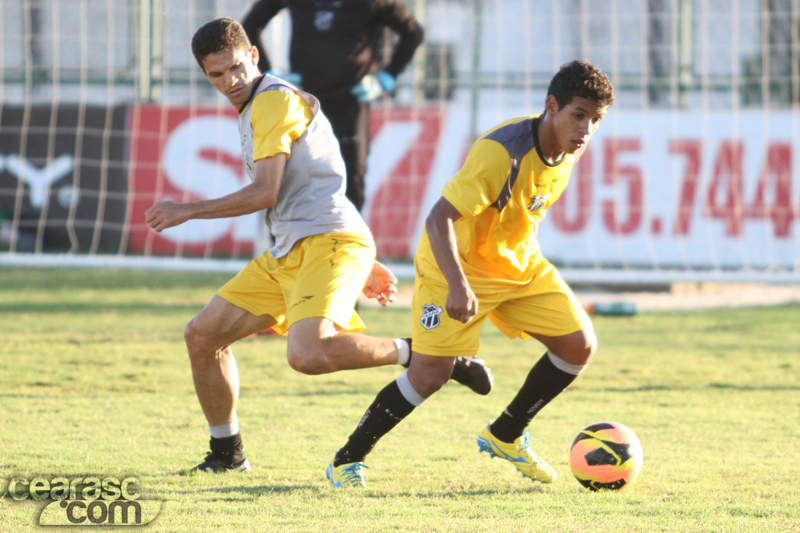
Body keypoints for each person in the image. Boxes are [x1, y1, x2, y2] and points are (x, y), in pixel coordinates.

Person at [144, 18, 489, 473]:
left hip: (326, 240)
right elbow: (314, 180)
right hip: (295, 247)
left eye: (234, 68)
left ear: (253, 56)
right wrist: (365, 259)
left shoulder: (272, 102)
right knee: (203, 335)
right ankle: (227, 454)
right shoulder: (261, 103)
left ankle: (427, 353)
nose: (228, 81)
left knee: (307, 355)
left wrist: (187, 210)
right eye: (215, 74)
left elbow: (264, 193)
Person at [326, 60, 615, 487]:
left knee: (579, 346)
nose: (586, 129)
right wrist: (458, 285)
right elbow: (438, 218)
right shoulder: (502, 152)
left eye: (596, 120)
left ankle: (507, 433)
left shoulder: (570, 148)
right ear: (551, 106)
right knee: (429, 376)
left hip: (519, 265)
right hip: (454, 268)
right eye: (578, 116)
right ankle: (347, 460)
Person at [241, 0, 424, 212]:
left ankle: (345, 244)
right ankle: (287, 245)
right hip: (301, 101)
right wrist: (267, 73)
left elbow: (413, 33)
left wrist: (386, 78)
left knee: (350, 181)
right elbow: (249, 27)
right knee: (291, 181)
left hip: (350, 101)